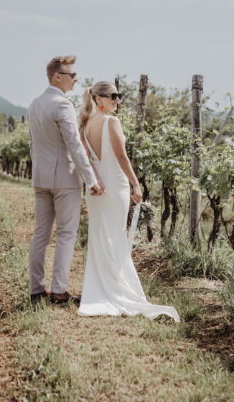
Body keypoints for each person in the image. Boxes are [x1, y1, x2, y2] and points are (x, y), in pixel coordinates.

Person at [77, 81, 180, 322]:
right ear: (99, 99)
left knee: (101, 236)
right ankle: (116, 289)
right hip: (115, 185)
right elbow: (122, 156)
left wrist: (93, 181)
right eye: (112, 96)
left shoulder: (84, 125)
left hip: (96, 187)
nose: (117, 100)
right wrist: (136, 183)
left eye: (118, 95)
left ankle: (99, 289)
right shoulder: (111, 122)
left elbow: (87, 161)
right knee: (115, 235)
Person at [27, 55, 105, 305]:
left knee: (40, 234)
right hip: (64, 179)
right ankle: (59, 291)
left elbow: (33, 144)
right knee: (66, 234)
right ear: (57, 76)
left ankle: (36, 290)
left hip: (41, 178)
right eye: (72, 75)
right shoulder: (63, 105)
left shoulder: (34, 104)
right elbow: (75, 146)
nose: (76, 79)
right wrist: (91, 179)